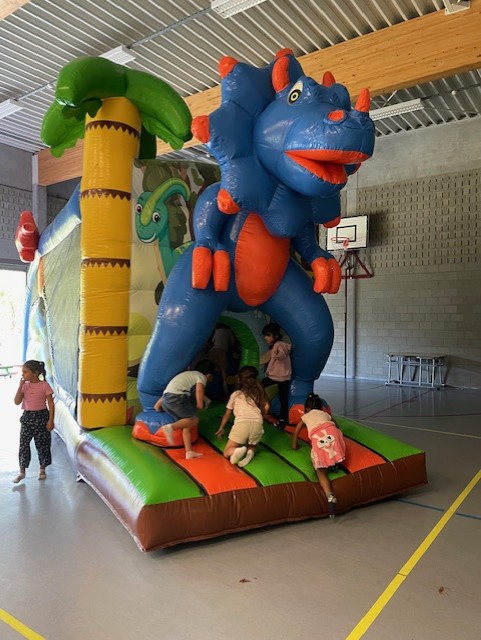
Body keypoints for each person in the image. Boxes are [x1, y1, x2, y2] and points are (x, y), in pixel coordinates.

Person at [291, 393, 346, 517]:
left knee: (321, 471)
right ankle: (335, 463)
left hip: (319, 439)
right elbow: (337, 426)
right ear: (321, 407)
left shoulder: (305, 416)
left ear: (307, 409)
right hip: (334, 435)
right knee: (333, 447)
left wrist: (294, 446)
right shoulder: (325, 414)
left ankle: (329, 495)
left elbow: (296, 432)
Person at [154, 359, 215, 459]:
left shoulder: (188, 376)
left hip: (166, 400)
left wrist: (157, 405)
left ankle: (189, 452)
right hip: (177, 398)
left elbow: (169, 392)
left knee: (187, 424)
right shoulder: (201, 376)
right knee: (194, 420)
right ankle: (170, 427)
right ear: (208, 375)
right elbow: (199, 390)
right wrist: (200, 404)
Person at [215, 365, 269, 467]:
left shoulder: (236, 394)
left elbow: (227, 414)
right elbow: (266, 406)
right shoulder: (258, 393)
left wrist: (221, 427)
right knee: (252, 444)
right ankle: (250, 452)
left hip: (242, 424)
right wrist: (261, 416)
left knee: (226, 452)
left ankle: (236, 450)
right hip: (257, 424)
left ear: (239, 380)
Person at [13, 360, 55, 483]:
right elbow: (17, 402)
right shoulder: (24, 386)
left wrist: (51, 420)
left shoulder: (44, 385)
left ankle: (42, 469)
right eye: (23, 372)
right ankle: (22, 472)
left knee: (43, 444)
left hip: (42, 417)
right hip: (27, 417)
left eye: (25, 372)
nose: (23, 374)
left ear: (35, 373)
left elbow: (51, 404)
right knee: (23, 444)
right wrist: (20, 386)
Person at [261, 322, 292, 427]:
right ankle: (283, 419)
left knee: (259, 386)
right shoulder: (278, 345)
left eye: (268, 335)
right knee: (283, 398)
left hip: (276, 376)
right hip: (284, 376)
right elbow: (273, 360)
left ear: (276, 336)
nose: (266, 337)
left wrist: (279, 354)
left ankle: (262, 407)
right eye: (265, 335)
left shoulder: (279, 345)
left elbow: (281, 355)